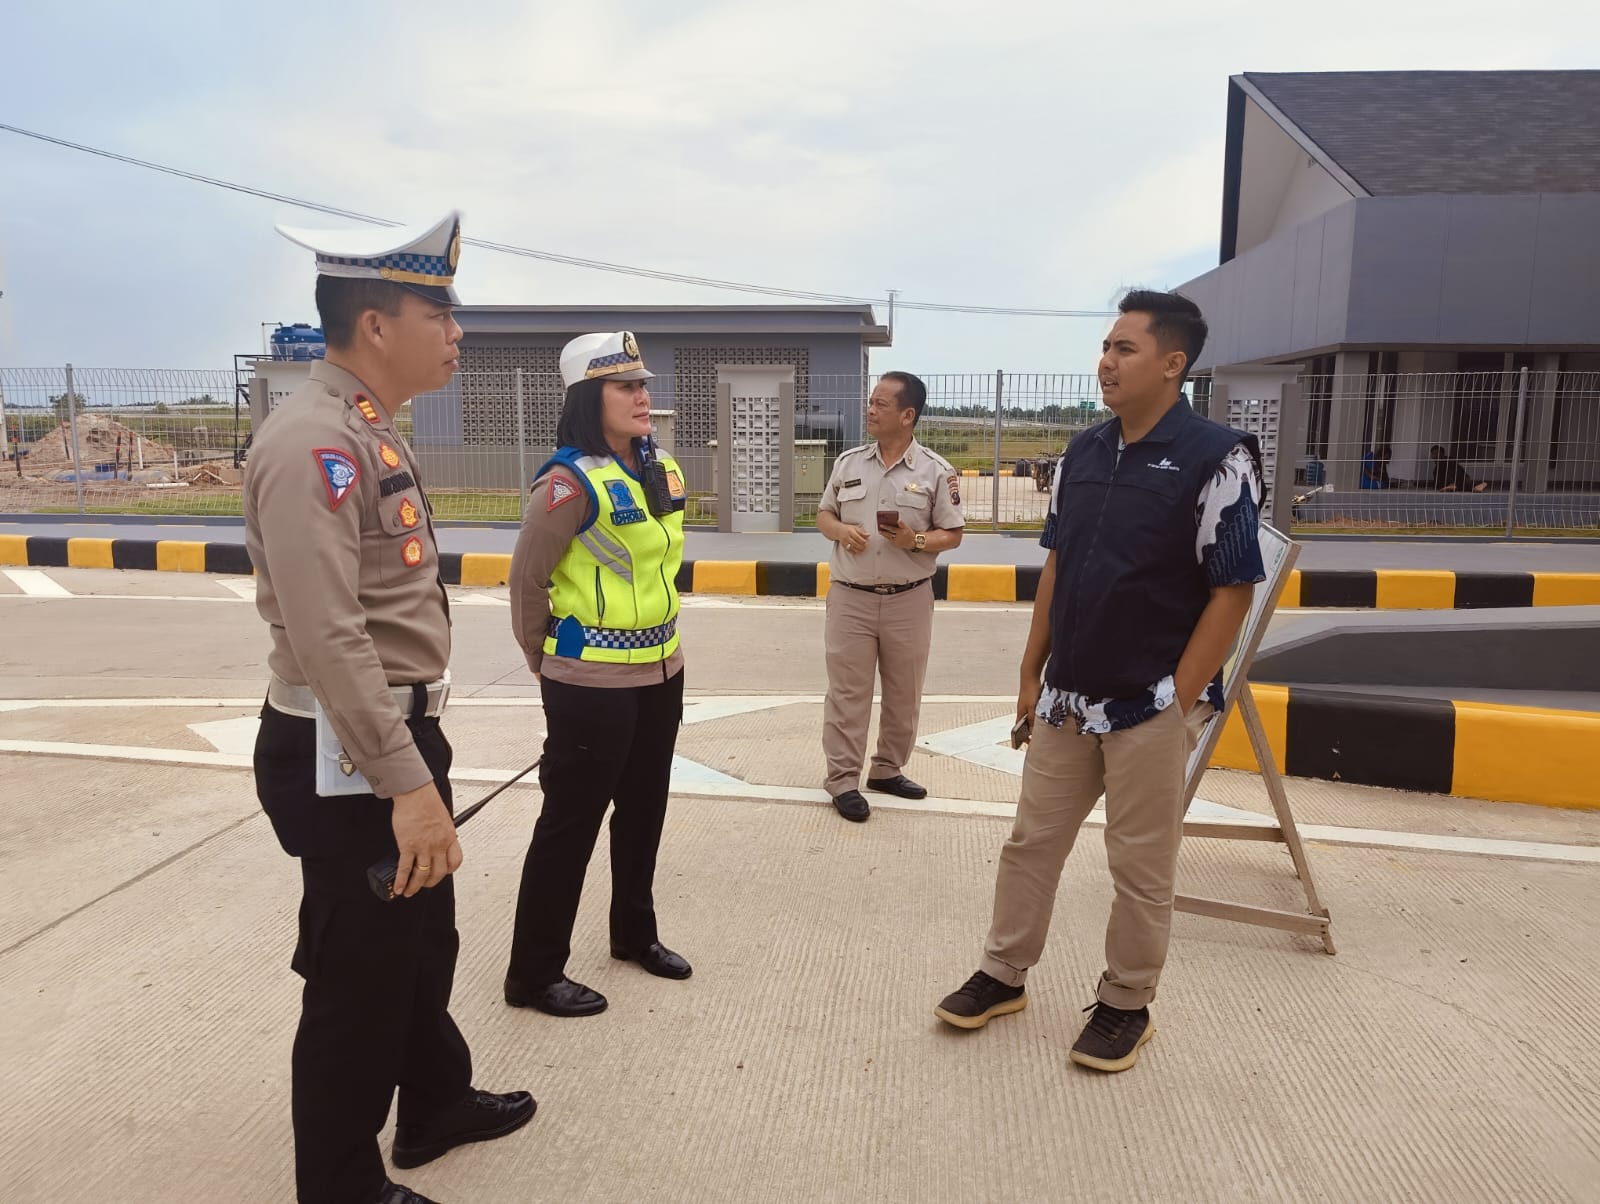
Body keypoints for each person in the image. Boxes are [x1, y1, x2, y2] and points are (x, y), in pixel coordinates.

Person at [247, 211, 534, 1204]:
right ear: (377, 324)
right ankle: (339, 1187)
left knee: (423, 937)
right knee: (357, 981)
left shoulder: (363, 429)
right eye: (438, 311)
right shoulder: (313, 445)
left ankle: (435, 1103)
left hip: (389, 736)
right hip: (349, 752)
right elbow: (331, 636)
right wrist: (405, 781)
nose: (454, 333)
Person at [933, 289, 1265, 1074]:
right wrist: (1029, 669)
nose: (1107, 362)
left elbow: (1233, 590)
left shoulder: (1217, 455)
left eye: (1125, 349)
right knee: (1030, 844)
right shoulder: (1083, 451)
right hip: (1066, 698)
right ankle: (1004, 974)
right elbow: (1059, 564)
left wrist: (1177, 698)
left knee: (1140, 866)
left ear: (1172, 364)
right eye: (1106, 347)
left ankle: (1125, 1003)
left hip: (1147, 703)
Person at [503, 331, 692, 1017]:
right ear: (591, 397)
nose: (643, 396)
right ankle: (533, 972)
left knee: (644, 811)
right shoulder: (566, 482)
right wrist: (543, 658)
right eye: (625, 386)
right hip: (589, 684)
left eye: (643, 384)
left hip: (660, 672)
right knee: (571, 822)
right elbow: (528, 580)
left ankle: (633, 935)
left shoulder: (661, 469)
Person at [815, 372, 965, 822]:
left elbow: (953, 534)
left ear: (907, 415)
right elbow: (824, 515)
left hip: (908, 598)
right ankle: (842, 779)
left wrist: (914, 542)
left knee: (904, 692)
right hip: (851, 597)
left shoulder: (936, 471)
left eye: (881, 404)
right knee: (847, 692)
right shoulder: (848, 463)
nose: (871, 410)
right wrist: (842, 532)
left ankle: (886, 769)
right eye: (871, 402)